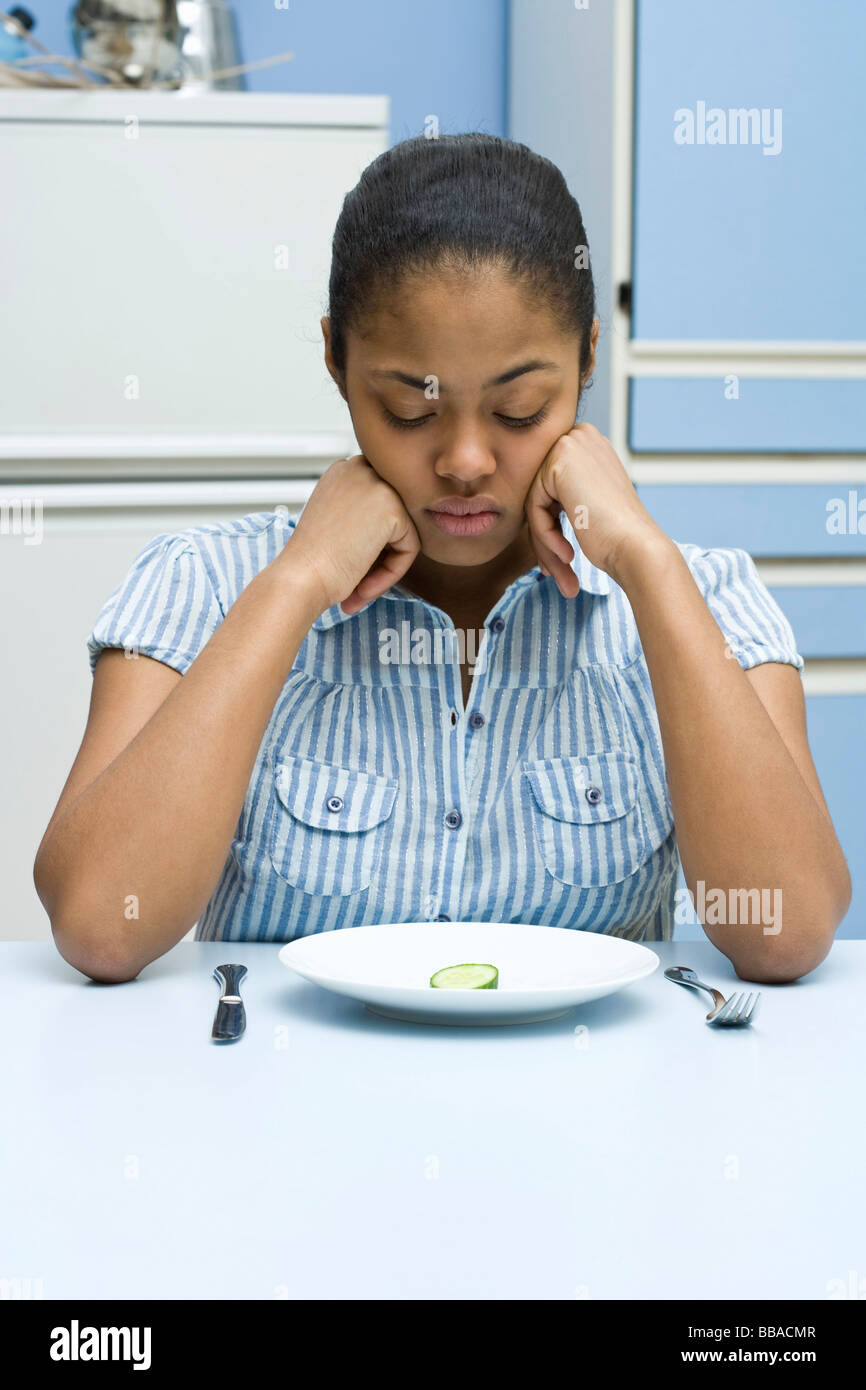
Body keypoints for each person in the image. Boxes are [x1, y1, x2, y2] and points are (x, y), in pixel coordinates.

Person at [33, 133, 850, 984]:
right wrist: (296, 582)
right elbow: (101, 925)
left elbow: (783, 934)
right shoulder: (201, 582)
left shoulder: (703, 596)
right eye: (409, 412)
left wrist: (646, 561)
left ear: (589, 361)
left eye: (521, 409)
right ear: (335, 361)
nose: (465, 460)